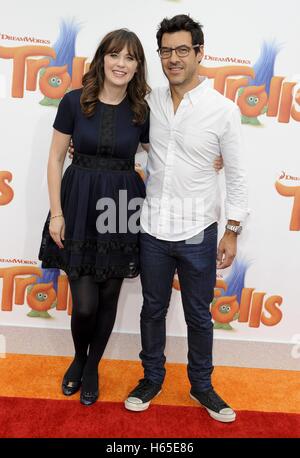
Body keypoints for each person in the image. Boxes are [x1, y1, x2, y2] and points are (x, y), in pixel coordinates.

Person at [124, 15, 248, 423]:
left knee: (199, 314)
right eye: (165, 51)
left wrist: (232, 230)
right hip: (153, 228)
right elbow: (136, 146)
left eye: (182, 50)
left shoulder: (223, 110)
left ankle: (202, 385)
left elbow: (236, 174)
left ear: (199, 52)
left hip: (199, 230)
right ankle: (152, 378)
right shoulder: (150, 101)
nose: (173, 59)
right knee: (152, 310)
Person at [38, 29, 150, 406]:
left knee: (108, 297)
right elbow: (55, 158)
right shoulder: (74, 101)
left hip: (121, 207)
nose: (121, 64)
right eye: (115, 55)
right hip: (79, 203)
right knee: (84, 303)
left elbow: (164, 153)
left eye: (130, 58)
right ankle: (79, 357)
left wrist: (208, 158)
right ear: (102, 58)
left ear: (137, 67)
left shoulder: (141, 111)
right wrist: (56, 214)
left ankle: (90, 368)